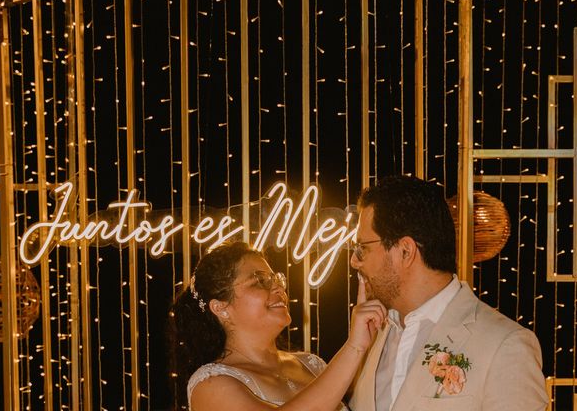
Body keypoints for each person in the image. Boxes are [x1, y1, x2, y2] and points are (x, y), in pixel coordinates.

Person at [348, 175, 548, 411]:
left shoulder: (506, 346)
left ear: (405, 251)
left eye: (362, 248)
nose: (354, 261)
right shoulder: (369, 335)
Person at [168, 241, 387, 410]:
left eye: (277, 280)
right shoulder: (211, 385)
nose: (278, 289)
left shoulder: (310, 364)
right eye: (260, 281)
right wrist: (354, 346)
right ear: (221, 307)